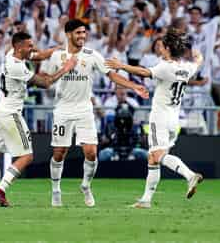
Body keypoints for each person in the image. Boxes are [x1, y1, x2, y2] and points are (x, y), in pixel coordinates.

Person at [47, 19, 149, 208]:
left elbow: (112, 75)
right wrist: (64, 70)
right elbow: (46, 81)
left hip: (85, 109)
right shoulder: (57, 56)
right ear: (68, 34)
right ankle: (55, 190)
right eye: (78, 33)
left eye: (84, 33)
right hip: (62, 109)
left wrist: (134, 86)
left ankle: (86, 186)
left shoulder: (92, 55)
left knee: (92, 152)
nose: (82, 36)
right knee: (59, 152)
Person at [0, 32, 77, 207]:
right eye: (29, 45)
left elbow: (39, 55)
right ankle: (0, 192)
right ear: (20, 47)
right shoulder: (17, 67)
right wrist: (65, 68)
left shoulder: (10, 55)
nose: (32, 48)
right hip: (11, 114)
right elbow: (46, 83)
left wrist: (56, 50)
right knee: (26, 156)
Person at [105, 28, 204, 208]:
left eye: (162, 46)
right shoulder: (186, 68)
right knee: (152, 158)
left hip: (161, 118)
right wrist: (197, 54)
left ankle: (190, 176)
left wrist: (122, 66)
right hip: (175, 119)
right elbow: (198, 61)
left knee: (158, 155)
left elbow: (144, 72)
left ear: (167, 48)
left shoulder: (165, 67)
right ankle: (145, 200)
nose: (160, 49)